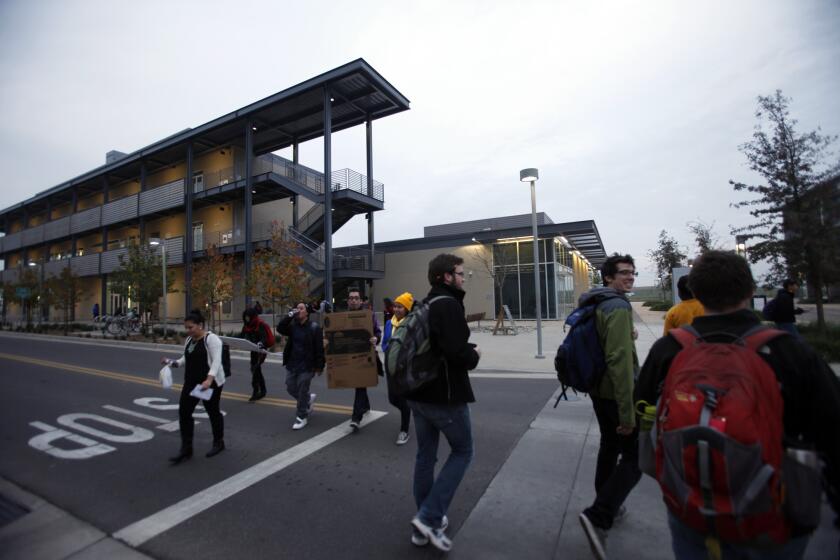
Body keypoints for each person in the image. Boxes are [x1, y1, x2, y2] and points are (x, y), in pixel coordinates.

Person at [636, 250, 840, 559]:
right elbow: (832, 428)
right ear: (750, 290)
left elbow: (643, 413)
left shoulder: (669, 349)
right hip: (773, 512)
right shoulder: (790, 352)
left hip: (692, 506)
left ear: (697, 293)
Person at [407, 254, 481, 552]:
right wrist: (473, 354)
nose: (464, 278)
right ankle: (428, 517)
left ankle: (424, 524)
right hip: (443, 396)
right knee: (463, 451)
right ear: (446, 277)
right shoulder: (448, 305)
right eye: (461, 274)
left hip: (418, 394)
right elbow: (456, 352)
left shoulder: (423, 304)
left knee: (426, 455)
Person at [578, 253, 641, 560]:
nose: (630, 277)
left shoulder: (597, 301)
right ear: (608, 277)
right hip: (614, 392)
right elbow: (619, 361)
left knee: (609, 445)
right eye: (624, 273)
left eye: (633, 273)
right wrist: (628, 413)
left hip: (597, 389)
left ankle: (606, 502)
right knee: (635, 455)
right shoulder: (616, 306)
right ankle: (600, 513)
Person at [161, 309, 226, 463]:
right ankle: (186, 448)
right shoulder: (190, 341)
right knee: (184, 412)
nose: (188, 330)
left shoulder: (211, 339)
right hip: (192, 382)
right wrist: (171, 362)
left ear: (200, 325)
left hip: (209, 383)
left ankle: (219, 442)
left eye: (191, 327)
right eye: (187, 328)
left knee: (212, 411)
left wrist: (209, 380)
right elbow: (185, 359)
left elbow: (216, 362)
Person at [277, 302, 324, 430]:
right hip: (293, 363)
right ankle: (308, 400)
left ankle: (302, 416)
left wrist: (320, 366)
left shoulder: (314, 328)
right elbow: (280, 328)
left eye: (301, 308)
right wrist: (290, 315)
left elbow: (319, 348)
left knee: (302, 388)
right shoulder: (293, 326)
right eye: (297, 308)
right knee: (290, 386)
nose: (298, 310)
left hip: (307, 365)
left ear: (307, 312)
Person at [381, 292, 414, 446]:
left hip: (405, 367)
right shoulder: (389, 323)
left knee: (402, 399)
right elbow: (384, 343)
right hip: (390, 365)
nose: (397, 309)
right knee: (392, 398)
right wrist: (389, 349)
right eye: (395, 306)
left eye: (400, 307)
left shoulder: (411, 324)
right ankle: (412, 407)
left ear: (407, 309)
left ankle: (404, 430)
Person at [347, 287, 381, 431]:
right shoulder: (343, 316)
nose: (354, 300)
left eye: (356, 298)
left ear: (361, 300)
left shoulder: (369, 315)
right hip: (350, 355)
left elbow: (377, 332)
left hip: (365, 355)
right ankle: (365, 406)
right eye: (351, 298)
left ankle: (356, 418)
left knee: (360, 385)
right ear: (348, 301)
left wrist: (376, 338)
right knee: (359, 384)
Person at [241, 308, 270, 402]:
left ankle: (256, 391)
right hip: (253, 350)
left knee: (255, 369)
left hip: (260, 351)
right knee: (256, 370)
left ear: (252, 316)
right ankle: (263, 390)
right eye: (245, 317)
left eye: (248, 317)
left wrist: (261, 343)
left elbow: (264, 337)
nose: (246, 318)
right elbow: (242, 336)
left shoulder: (260, 324)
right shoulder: (247, 325)